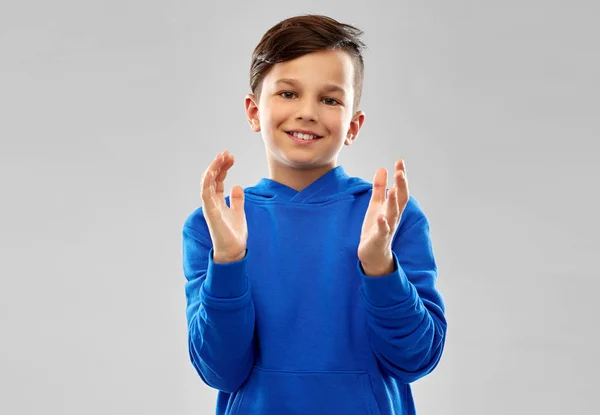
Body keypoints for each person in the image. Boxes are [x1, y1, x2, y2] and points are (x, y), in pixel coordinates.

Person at [182, 14, 447, 415]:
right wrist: (228, 262)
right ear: (254, 112)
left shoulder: (391, 219)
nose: (307, 112)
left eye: (330, 99)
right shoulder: (214, 225)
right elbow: (220, 370)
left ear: (353, 125)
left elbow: (416, 358)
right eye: (288, 93)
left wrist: (380, 268)